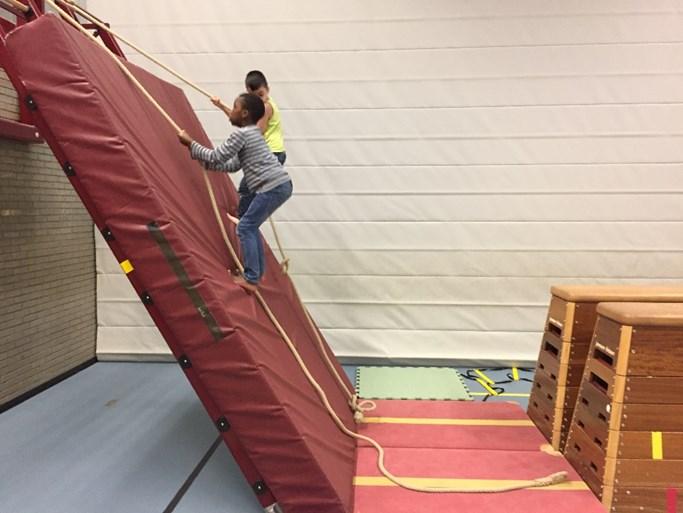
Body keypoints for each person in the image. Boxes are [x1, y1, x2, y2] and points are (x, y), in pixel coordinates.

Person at [177, 93, 292, 292]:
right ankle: (255, 275)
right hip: (280, 185)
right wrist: (206, 163)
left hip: (272, 187)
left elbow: (217, 156)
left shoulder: (241, 135)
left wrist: (190, 144)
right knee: (250, 226)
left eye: (235, 107)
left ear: (245, 113)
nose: (232, 110)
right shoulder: (253, 134)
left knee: (245, 227)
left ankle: (252, 279)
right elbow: (232, 165)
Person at [211, 70, 286, 217]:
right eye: (255, 97)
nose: (260, 99)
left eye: (261, 94)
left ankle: (243, 219)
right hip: (272, 154)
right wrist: (221, 106)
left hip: (272, 153)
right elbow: (241, 122)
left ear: (268, 89)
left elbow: (256, 131)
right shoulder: (259, 109)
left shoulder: (266, 107)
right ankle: (246, 219)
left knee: (246, 188)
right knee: (249, 189)